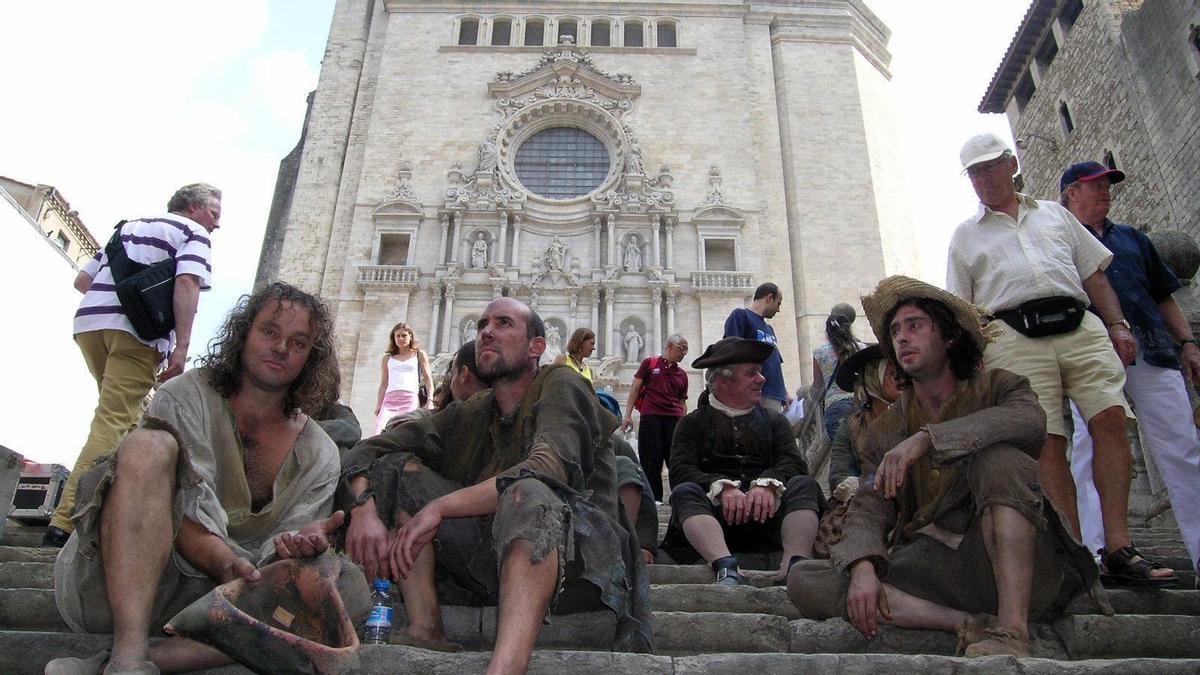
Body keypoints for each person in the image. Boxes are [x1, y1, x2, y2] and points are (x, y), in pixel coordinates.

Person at [46, 282, 367, 674]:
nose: (282, 348)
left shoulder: (320, 452)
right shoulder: (184, 395)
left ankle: (134, 663)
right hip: (130, 587)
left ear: (310, 359)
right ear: (243, 333)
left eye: (298, 343)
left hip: (234, 605)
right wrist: (226, 561)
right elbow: (181, 509)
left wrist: (300, 546)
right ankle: (127, 657)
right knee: (146, 447)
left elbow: (277, 561)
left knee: (346, 585)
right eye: (270, 331)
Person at [788, 276, 1100, 657]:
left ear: (949, 337)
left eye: (915, 326)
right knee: (804, 580)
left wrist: (927, 439)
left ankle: (1014, 630)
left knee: (999, 460)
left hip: (1010, 559)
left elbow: (1029, 422)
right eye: (895, 331)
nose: (902, 338)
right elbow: (870, 504)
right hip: (932, 568)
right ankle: (965, 623)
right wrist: (863, 565)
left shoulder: (1002, 387)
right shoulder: (885, 430)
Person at [340, 297, 652, 672]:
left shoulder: (562, 383)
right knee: (399, 469)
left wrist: (439, 507)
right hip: (489, 558)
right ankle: (427, 627)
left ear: (537, 347)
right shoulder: (474, 409)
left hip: (580, 563)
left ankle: (506, 668)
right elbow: (372, 449)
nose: (486, 331)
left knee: (531, 491)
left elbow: (547, 467)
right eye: (483, 324)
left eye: (504, 323)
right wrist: (364, 507)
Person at [945, 132, 1172, 587]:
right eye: (975, 172)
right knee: (1047, 442)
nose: (985, 178)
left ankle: (1120, 545)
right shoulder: (964, 238)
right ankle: (1076, 552)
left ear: (1011, 164)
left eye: (991, 166)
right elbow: (962, 311)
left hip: (1079, 326)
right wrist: (976, 365)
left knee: (1111, 419)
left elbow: (1093, 275)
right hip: (1012, 336)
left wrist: (1118, 326)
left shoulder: (1055, 215)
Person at [46, 184, 222, 547]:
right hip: (135, 338)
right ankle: (66, 523)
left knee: (126, 420)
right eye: (214, 214)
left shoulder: (128, 226)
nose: (217, 224)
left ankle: (111, 509)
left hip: (90, 327)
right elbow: (187, 282)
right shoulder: (193, 233)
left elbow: (83, 280)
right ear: (192, 208)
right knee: (113, 421)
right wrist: (181, 347)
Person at [1061, 160, 1200, 581]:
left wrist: (1189, 343)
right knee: (1089, 450)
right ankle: (1099, 551)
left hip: (1154, 350)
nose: (1105, 191)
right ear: (1071, 194)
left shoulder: (1134, 239)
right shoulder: (1057, 239)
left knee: (1183, 447)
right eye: (1095, 185)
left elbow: (1163, 296)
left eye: (1107, 185)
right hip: (1090, 356)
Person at [662, 336, 825, 585]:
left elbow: (793, 463)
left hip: (768, 520)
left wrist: (768, 484)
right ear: (723, 380)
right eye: (752, 373)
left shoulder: (775, 421)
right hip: (715, 520)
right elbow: (681, 471)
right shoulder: (691, 423)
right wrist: (721, 487)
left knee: (804, 484)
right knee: (685, 492)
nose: (762, 379)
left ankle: (794, 567)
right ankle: (724, 565)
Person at [621, 334, 690, 502]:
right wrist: (627, 415)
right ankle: (654, 498)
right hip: (651, 416)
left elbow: (682, 402)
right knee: (651, 459)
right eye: (682, 349)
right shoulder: (650, 364)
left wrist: (685, 424)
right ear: (669, 347)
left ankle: (679, 495)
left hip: (674, 419)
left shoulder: (682, 374)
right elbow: (635, 389)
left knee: (675, 459)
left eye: (686, 350)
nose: (684, 353)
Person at [724, 282, 788, 411]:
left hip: (774, 396)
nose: (778, 309)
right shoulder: (741, 316)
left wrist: (785, 394)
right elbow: (731, 352)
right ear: (769, 298)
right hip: (754, 392)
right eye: (778, 303)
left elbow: (775, 364)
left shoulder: (769, 329)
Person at [811, 303, 868, 439]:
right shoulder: (861, 348)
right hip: (860, 403)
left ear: (827, 332)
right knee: (865, 453)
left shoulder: (820, 353)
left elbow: (818, 386)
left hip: (835, 407)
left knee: (843, 454)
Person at [373, 322, 434, 435]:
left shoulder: (419, 355)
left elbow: (427, 379)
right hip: (389, 400)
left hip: (409, 398)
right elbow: (384, 383)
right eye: (398, 336)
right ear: (394, 338)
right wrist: (379, 404)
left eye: (404, 335)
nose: (401, 338)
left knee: (408, 431)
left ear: (410, 336)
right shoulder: (387, 358)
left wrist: (430, 400)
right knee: (379, 430)